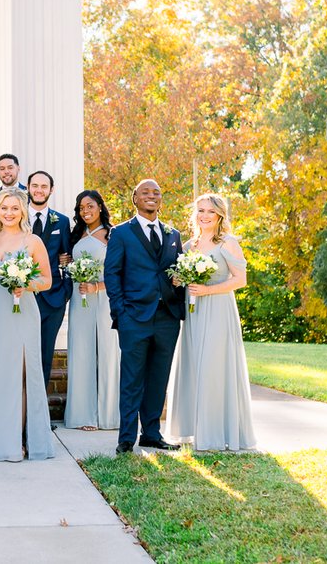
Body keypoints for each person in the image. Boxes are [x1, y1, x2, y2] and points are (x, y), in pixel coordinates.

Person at [165, 194, 256, 451]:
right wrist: (178, 280)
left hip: (217, 310)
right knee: (195, 365)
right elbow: (181, 277)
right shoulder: (188, 245)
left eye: (210, 212)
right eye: (200, 211)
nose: (204, 216)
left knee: (213, 367)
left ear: (220, 216)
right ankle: (195, 430)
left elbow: (240, 280)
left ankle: (216, 432)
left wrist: (208, 291)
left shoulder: (227, 242)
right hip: (193, 312)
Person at [104, 179, 185, 454]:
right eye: (145, 193)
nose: (151, 196)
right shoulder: (121, 233)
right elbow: (112, 273)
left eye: (157, 193)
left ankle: (151, 433)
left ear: (161, 200)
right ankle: (126, 437)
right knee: (131, 378)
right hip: (133, 317)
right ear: (135, 199)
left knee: (158, 378)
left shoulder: (173, 234)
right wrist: (120, 312)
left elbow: (179, 271)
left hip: (167, 317)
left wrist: (180, 286)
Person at [0, 188, 55, 462]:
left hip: (23, 314)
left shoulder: (32, 241)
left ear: (23, 211)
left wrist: (26, 284)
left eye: (15, 208)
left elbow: (47, 281)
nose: (9, 213)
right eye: (5, 208)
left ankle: (20, 439)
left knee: (22, 377)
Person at [64, 190, 119, 431]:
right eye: (81, 208)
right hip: (80, 299)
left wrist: (98, 286)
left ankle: (106, 415)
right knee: (82, 352)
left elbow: (121, 272)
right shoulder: (76, 235)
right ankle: (84, 415)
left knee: (107, 353)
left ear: (100, 207)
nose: (85, 211)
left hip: (104, 298)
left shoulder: (112, 234)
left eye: (90, 206)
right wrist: (66, 264)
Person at [27, 171, 73, 389]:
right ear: (28, 188)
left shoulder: (61, 222)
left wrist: (64, 293)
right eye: (35, 185)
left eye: (44, 186)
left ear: (51, 190)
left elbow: (68, 257)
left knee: (45, 356)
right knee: (21, 355)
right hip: (22, 296)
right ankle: (19, 412)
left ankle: (39, 417)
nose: (39, 190)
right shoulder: (16, 217)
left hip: (53, 298)